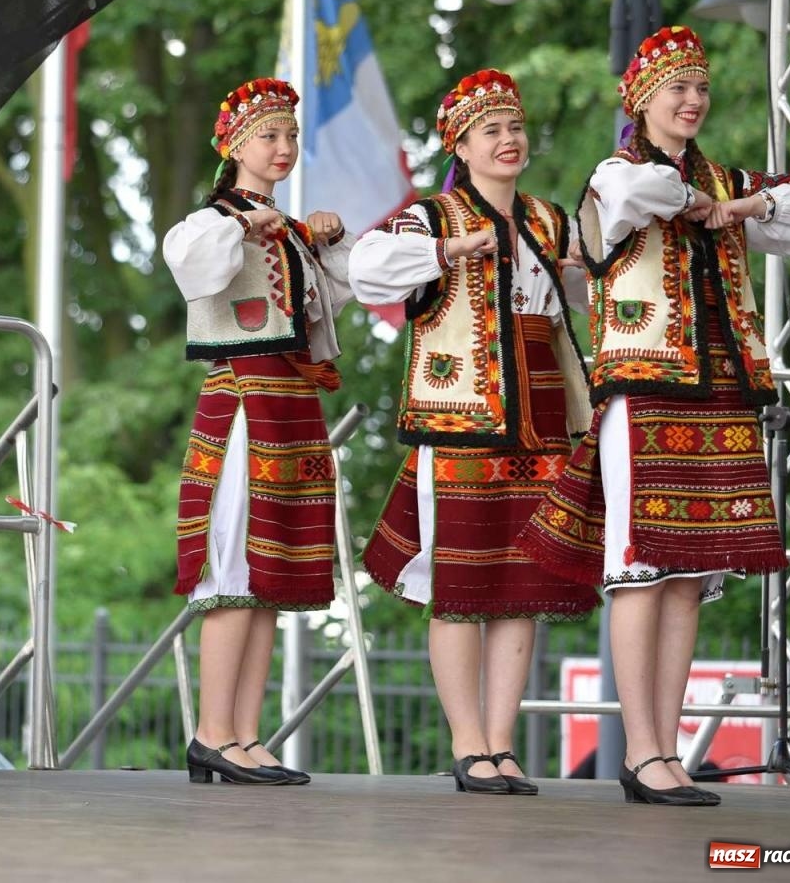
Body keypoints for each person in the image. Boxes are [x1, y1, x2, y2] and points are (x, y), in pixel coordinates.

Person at [520, 26, 790, 805]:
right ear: (642, 100)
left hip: (721, 391)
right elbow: (644, 196)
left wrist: (748, 204)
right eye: (677, 88)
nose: (693, 100)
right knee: (643, 567)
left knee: (690, 575)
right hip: (644, 391)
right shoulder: (616, 173)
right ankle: (642, 751)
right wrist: (710, 203)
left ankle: (665, 750)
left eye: (700, 88)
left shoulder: (728, 183)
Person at [352, 68, 598, 795]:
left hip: (541, 420)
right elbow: (369, 271)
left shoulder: (549, 219)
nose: (509, 139)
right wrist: (450, 251)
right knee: (461, 584)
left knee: (521, 585)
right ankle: (467, 743)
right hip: (460, 418)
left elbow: (580, 296)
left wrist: (585, 271)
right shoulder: (433, 217)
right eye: (491, 130)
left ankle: (501, 741)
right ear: (460, 146)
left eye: (515, 127)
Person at [162, 77, 354, 785]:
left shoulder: (292, 231)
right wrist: (248, 225)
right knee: (235, 564)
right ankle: (213, 732)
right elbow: (190, 262)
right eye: (268, 136)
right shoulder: (212, 220)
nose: (283, 147)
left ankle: (244, 733)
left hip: (291, 400)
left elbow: (335, 299)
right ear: (235, 147)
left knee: (268, 572)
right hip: (244, 398)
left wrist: (328, 239)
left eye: (290, 135)